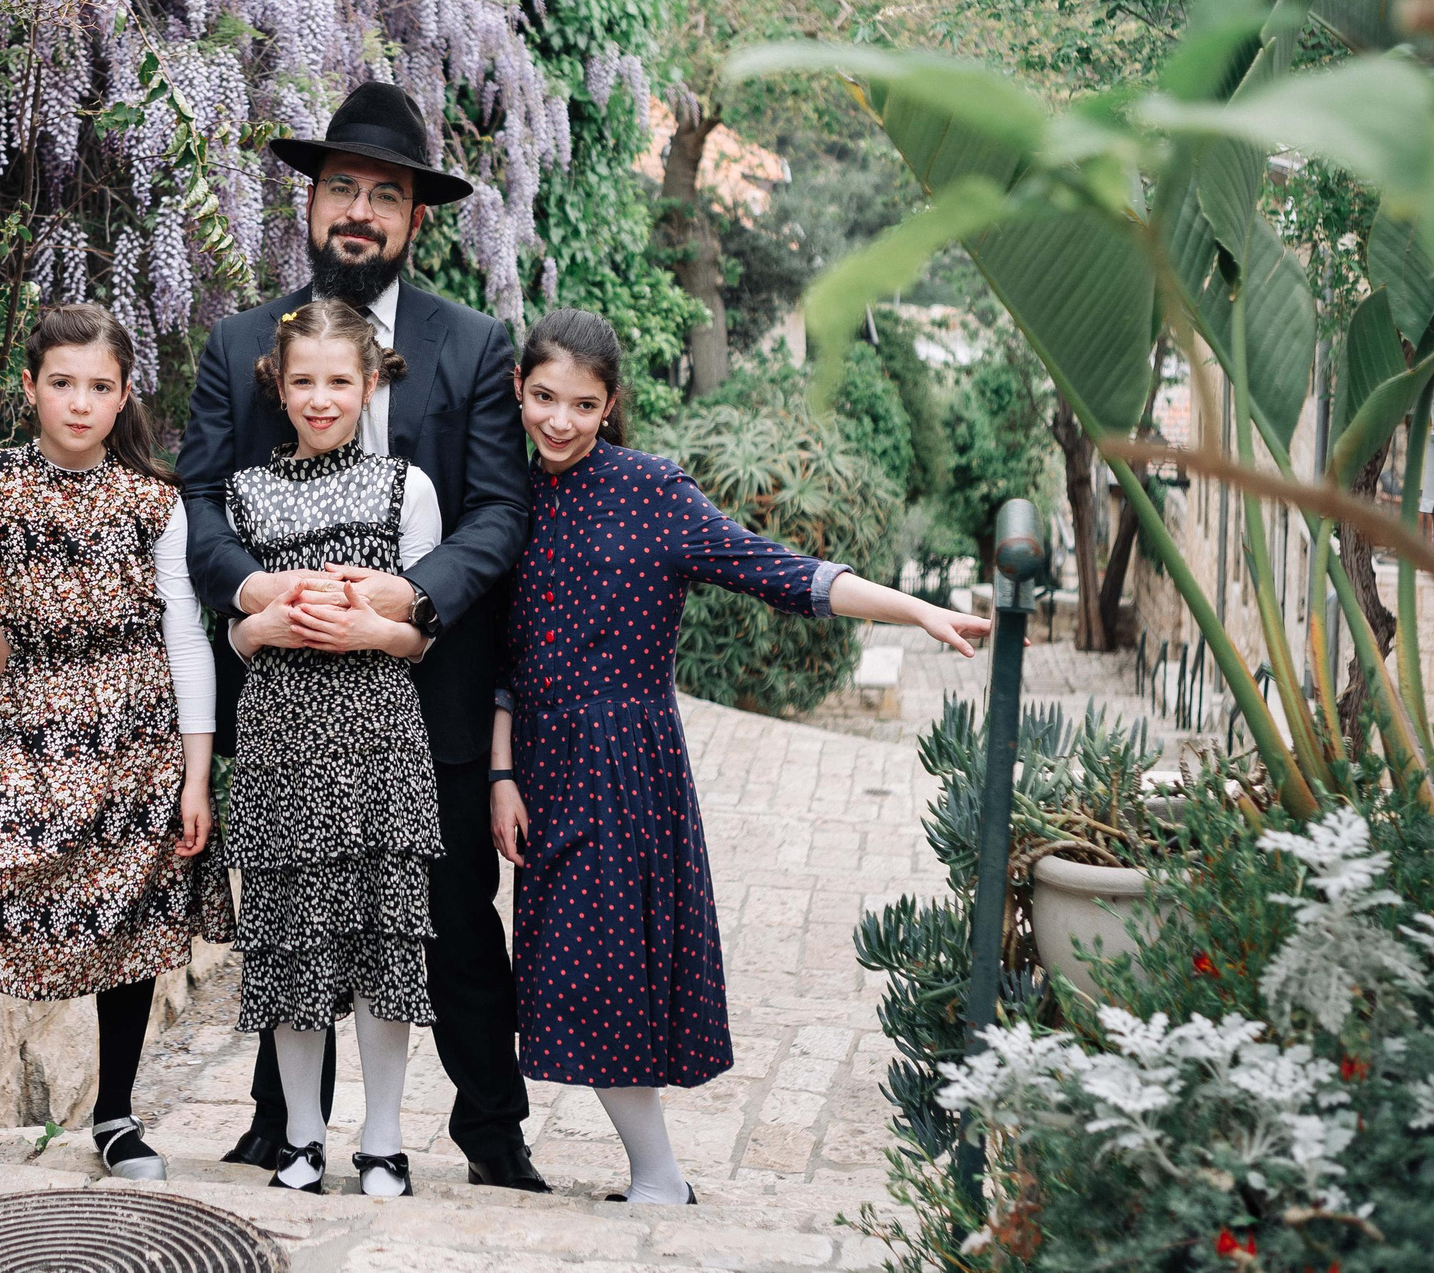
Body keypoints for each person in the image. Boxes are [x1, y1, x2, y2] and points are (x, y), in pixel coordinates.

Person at [486, 309, 992, 1204]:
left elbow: (787, 572)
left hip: (629, 766)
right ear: (521, 391)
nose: (558, 420)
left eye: (582, 403)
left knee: (610, 970)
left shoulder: (653, 491)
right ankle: (658, 1174)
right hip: (541, 763)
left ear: (610, 407)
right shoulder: (504, 498)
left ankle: (658, 1175)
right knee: (572, 968)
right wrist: (500, 775)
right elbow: (500, 663)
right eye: (542, 397)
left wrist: (916, 610)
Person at [178, 81, 544, 1192]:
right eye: (341, 187)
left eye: (384, 196)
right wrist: (254, 595)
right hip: (287, 687)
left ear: (415, 219)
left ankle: (491, 1134)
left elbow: (498, 511)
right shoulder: (242, 340)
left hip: (421, 688)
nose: (359, 212)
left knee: (453, 922)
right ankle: (283, 1129)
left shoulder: (474, 344)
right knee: (296, 903)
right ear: (311, 200)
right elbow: (195, 502)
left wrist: (407, 601)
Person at [0, 303, 233, 1201]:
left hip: (137, 734)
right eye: (61, 384)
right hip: (33, 722)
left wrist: (197, 774)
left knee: (124, 920)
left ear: (124, 393)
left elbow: (187, 637)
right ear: (30, 387)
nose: (79, 403)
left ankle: (116, 1116)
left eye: (99, 386)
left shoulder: (153, 499)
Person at [222, 299, 446, 1196]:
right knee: (292, 939)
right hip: (280, 735)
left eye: (339, 381)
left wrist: (370, 632)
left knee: (384, 938)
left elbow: (425, 635)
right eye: (304, 381)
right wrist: (265, 621)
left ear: (370, 383)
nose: (321, 399)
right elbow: (231, 638)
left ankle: (384, 1138)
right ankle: (304, 1138)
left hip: (379, 735)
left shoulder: (408, 488)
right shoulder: (244, 495)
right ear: (280, 385)